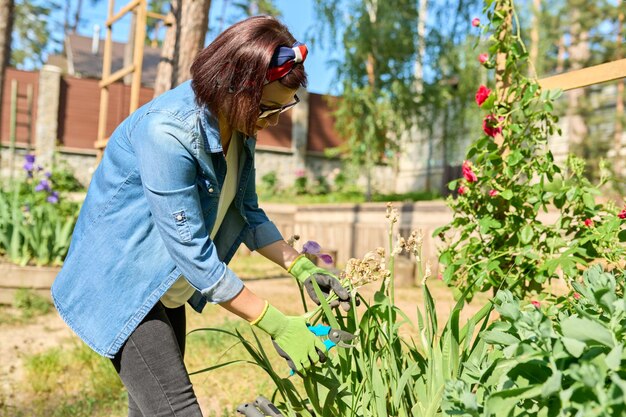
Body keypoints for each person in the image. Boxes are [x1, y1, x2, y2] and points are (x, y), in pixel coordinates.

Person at [51, 15, 352, 417]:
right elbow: (194, 254)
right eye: (269, 107)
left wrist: (301, 268)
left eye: (284, 107)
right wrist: (280, 326)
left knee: (149, 411)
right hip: (123, 284)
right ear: (236, 89)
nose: (275, 120)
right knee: (177, 410)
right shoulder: (168, 133)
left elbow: (248, 210)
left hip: (165, 285)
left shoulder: (240, 123)